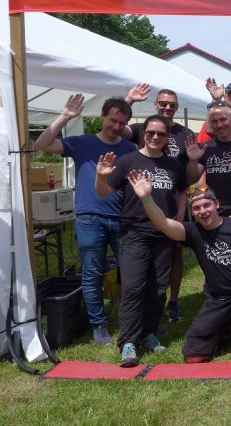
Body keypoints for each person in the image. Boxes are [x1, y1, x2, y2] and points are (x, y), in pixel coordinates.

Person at [126, 175, 231, 363]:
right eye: (196, 208)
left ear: (216, 204)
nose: (202, 211)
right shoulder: (193, 231)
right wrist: (146, 198)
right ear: (192, 212)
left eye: (207, 205)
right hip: (220, 298)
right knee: (193, 356)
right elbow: (163, 224)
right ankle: (224, 332)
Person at [35, 95, 137, 345]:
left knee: (131, 272)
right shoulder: (82, 143)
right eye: (112, 120)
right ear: (102, 117)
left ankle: (131, 319)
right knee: (92, 273)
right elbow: (42, 144)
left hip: (122, 219)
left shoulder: (129, 149)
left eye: (121, 123)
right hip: (90, 218)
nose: (116, 126)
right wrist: (65, 117)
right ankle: (98, 325)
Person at [95, 114, 187, 367]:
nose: (155, 137)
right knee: (134, 287)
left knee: (158, 288)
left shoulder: (173, 165)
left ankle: (148, 332)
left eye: (161, 134)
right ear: (143, 133)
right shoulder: (128, 161)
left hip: (164, 234)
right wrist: (101, 176)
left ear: (167, 137)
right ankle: (128, 342)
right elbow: (103, 192)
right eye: (151, 132)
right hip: (135, 232)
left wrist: (180, 215)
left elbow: (182, 190)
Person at [127, 87, 195, 322]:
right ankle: (142, 306)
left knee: (174, 255)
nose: (167, 108)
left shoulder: (186, 134)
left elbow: (188, 178)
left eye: (172, 105)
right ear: (155, 104)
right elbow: (116, 126)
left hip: (172, 202)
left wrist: (180, 214)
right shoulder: (142, 128)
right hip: (142, 201)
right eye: (163, 104)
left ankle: (172, 301)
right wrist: (129, 100)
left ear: (177, 107)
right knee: (143, 258)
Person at [187, 104, 231, 216]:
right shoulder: (206, 147)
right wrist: (193, 160)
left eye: (223, 119)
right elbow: (192, 179)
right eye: (214, 121)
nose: (219, 125)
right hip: (214, 212)